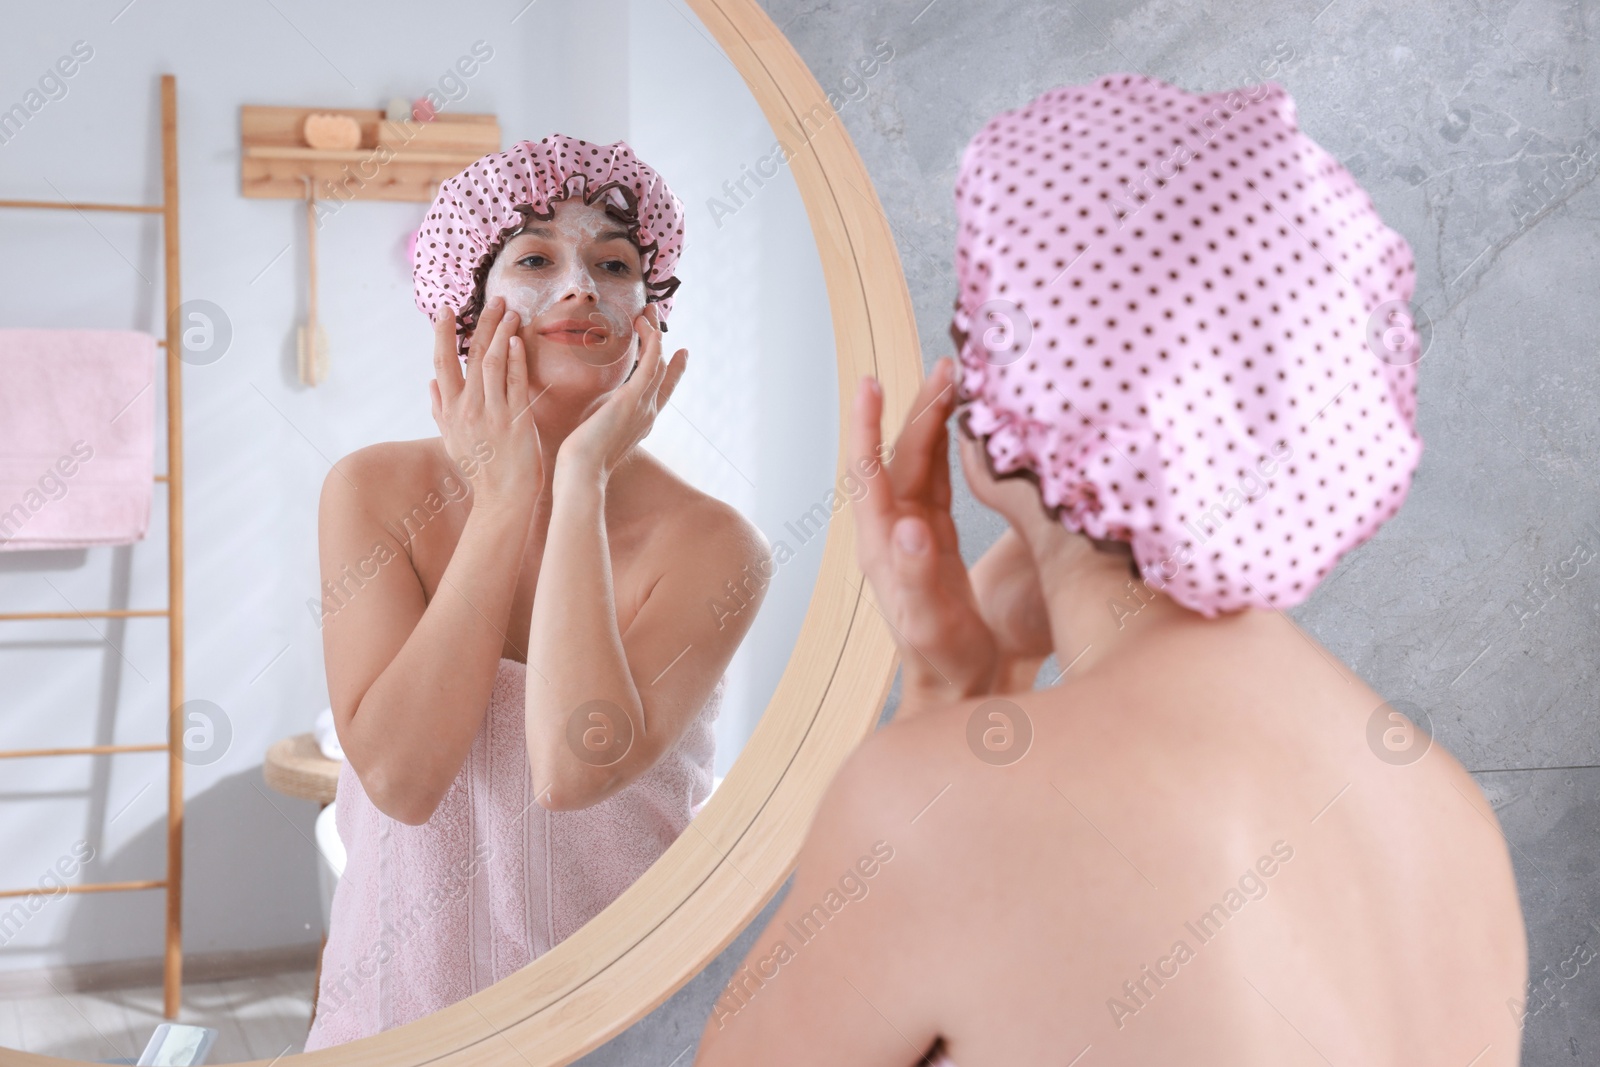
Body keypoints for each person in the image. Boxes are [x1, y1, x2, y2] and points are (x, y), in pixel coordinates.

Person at [692, 75, 1526, 1066]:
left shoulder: (948, 811)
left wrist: (941, 708)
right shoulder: (1444, 812)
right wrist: (975, 692)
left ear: (992, 415)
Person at [304, 134, 770, 1049]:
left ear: (650, 308)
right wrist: (507, 498)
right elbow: (401, 779)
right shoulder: (370, 493)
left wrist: (584, 479)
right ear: (463, 315)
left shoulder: (716, 544)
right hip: (401, 1022)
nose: (580, 287)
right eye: (534, 258)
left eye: (614, 262)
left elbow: (571, 769)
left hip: (626, 1022)